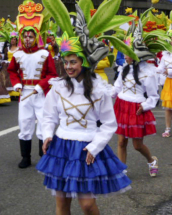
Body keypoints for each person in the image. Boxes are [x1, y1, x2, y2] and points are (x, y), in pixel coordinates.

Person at [36, 30, 132, 215]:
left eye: (73, 62)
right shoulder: (58, 87)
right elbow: (48, 116)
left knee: (87, 204)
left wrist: (95, 146)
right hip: (62, 148)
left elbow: (109, 124)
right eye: (66, 62)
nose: (68, 67)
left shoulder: (99, 90)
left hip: (87, 148)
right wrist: (47, 135)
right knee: (62, 203)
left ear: (84, 63)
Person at [8, 0, 58, 168]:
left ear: (36, 37)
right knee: (24, 122)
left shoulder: (45, 53)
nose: (28, 39)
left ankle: (44, 156)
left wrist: (41, 86)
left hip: (41, 93)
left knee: (44, 123)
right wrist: (16, 84)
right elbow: (12, 71)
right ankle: (25, 157)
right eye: (25, 36)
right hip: (25, 94)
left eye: (31, 36)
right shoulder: (17, 54)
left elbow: (52, 74)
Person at [113, 53, 159, 177]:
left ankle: (151, 160)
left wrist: (145, 106)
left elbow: (153, 96)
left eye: (128, 54)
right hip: (122, 106)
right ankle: (121, 171)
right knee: (122, 142)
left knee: (137, 146)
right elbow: (117, 88)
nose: (125, 57)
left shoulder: (148, 72)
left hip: (136, 109)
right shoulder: (124, 68)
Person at [0, 31, 20, 97]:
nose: (13, 41)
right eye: (12, 39)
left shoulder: (19, 49)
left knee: (14, 78)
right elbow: (5, 56)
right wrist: (1, 55)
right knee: (5, 78)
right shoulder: (7, 48)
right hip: (7, 65)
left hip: (15, 64)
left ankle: (15, 93)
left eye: (14, 39)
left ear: (16, 41)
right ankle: (8, 93)